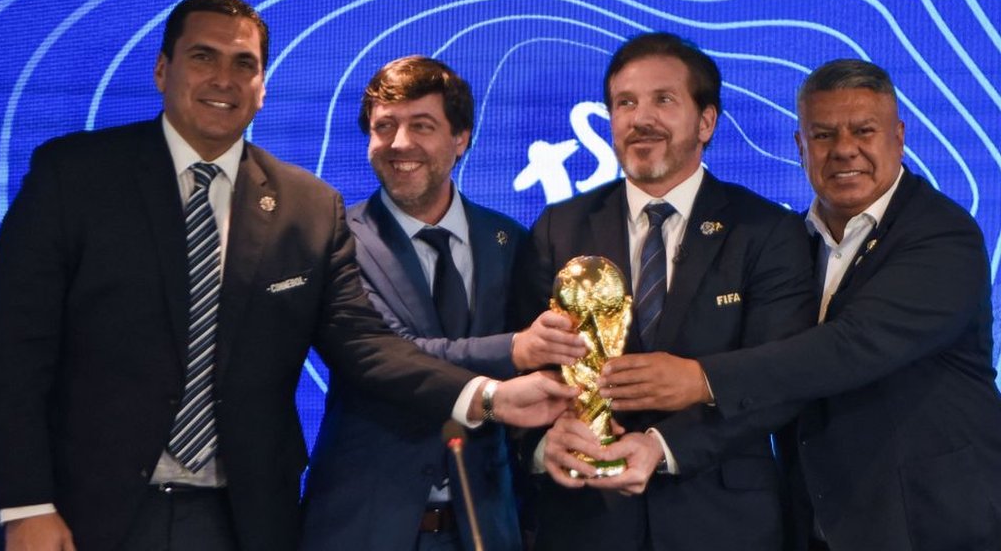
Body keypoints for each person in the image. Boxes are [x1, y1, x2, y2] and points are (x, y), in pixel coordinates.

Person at [0, 0, 575, 551]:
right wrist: (23, 504)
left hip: (244, 518)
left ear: (262, 87)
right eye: (203, 57)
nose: (223, 79)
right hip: (84, 513)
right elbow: (12, 353)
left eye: (244, 64)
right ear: (162, 70)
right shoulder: (73, 176)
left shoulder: (306, 205)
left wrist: (488, 397)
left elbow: (365, 347)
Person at [598, 59, 1001, 550]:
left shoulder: (942, 234)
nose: (844, 150)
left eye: (864, 131)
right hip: (820, 519)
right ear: (800, 146)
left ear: (898, 136)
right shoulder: (789, 239)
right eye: (824, 134)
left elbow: (850, 346)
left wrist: (699, 379)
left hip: (932, 519)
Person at [513, 31, 818, 550]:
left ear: (706, 121)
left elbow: (779, 380)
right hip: (585, 519)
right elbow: (521, 364)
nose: (640, 118)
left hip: (722, 521)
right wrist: (542, 443)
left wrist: (664, 445)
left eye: (664, 100)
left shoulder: (767, 232)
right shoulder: (557, 229)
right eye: (624, 103)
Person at [299, 56, 585, 551]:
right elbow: (390, 355)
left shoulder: (511, 242)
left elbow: (542, 388)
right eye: (383, 127)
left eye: (422, 126)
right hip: (362, 526)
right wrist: (516, 349)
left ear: (461, 139)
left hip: (486, 526)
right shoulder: (335, 238)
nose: (399, 144)